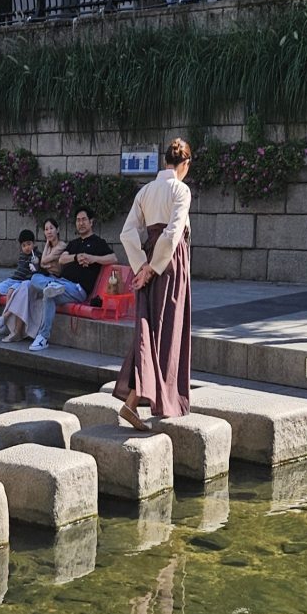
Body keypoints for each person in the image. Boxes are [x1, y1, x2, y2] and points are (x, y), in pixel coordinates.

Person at [113, 139, 193, 430]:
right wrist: (154, 268)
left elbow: (127, 233)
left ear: (164, 162)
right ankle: (142, 401)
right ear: (185, 164)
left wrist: (141, 266)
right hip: (170, 263)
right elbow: (172, 234)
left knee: (149, 327)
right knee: (166, 330)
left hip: (149, 257)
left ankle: (137, 400)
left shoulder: (145, 191)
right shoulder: (181, 190)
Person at [28, 209, 116, 352]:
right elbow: (62, 259)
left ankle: (43, 337)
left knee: (48, 293)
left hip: (78, 289)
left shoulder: (98, 243)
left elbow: (113, 258)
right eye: (78, 220)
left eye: (84, 219)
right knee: (35, 279)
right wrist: (76, 257)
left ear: (91, 221)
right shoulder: (73, 243)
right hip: (62, 283)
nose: (81, 223)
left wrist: (93, 258)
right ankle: (52, 286)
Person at [0, 218, 66, 343]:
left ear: (57, 230)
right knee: (23, 288)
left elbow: (45, 261)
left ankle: (6, 318)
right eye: (46, 229)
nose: (49, 232)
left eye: (51, 228)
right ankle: (17, 331)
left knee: (29, 283)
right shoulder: (47, 246)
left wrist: (39, 263)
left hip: (54, 279)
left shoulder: (61, 245)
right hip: (42, 278)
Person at [0, 230, 39, 336]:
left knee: (11, 292)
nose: (27, 248)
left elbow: (37, 271)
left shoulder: (37, 256)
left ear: (34, 243)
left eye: (29, 244)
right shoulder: (22, 255)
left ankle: (4, 321)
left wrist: (36, 264)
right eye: (24, 245)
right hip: (13, 279)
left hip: (22, 282)